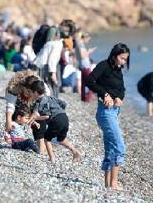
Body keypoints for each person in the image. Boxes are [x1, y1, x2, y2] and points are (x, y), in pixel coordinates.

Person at [85, 43, 130, 190]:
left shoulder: (118, 71)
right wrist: (104, 94)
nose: (123, 62)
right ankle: (115, 182)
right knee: (119, 146)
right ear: (115, 55)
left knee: (111, 147)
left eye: (125, 59)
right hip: (104, 112)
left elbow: (122, 89)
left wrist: (119, 98)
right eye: (122, 58)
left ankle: (109, 184)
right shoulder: (103, 65)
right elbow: (89, 81)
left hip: (115, 111)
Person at [22, 79, 81, 163]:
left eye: (31, 92)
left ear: (35, 92)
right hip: (64, 117)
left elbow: (46, 116)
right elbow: (64, 104)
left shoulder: (40, 102)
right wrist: (59, 112)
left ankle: (52, 158)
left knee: (46, 138)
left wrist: (35, 118)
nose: (31, 94)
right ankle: (75, 152)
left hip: (56, 120)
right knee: (61, 139)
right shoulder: (50, 98)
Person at [33, 27, 63, 97]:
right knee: (45, 87)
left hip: (36, 64)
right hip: (40, 66)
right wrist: (53, 73)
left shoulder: (52, 43)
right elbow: (52, 60)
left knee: (39, 87)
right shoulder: (58, 45)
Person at [75, 32, 95, 102]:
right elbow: (83, 56)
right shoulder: (80, 44)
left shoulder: (79, 44)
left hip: (82, 66)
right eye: (88, 39)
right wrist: (89, 52)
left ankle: (84, 99)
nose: (88, 41)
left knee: (84, 83)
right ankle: (87, 99)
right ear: (85, 38)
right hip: (85, 67)